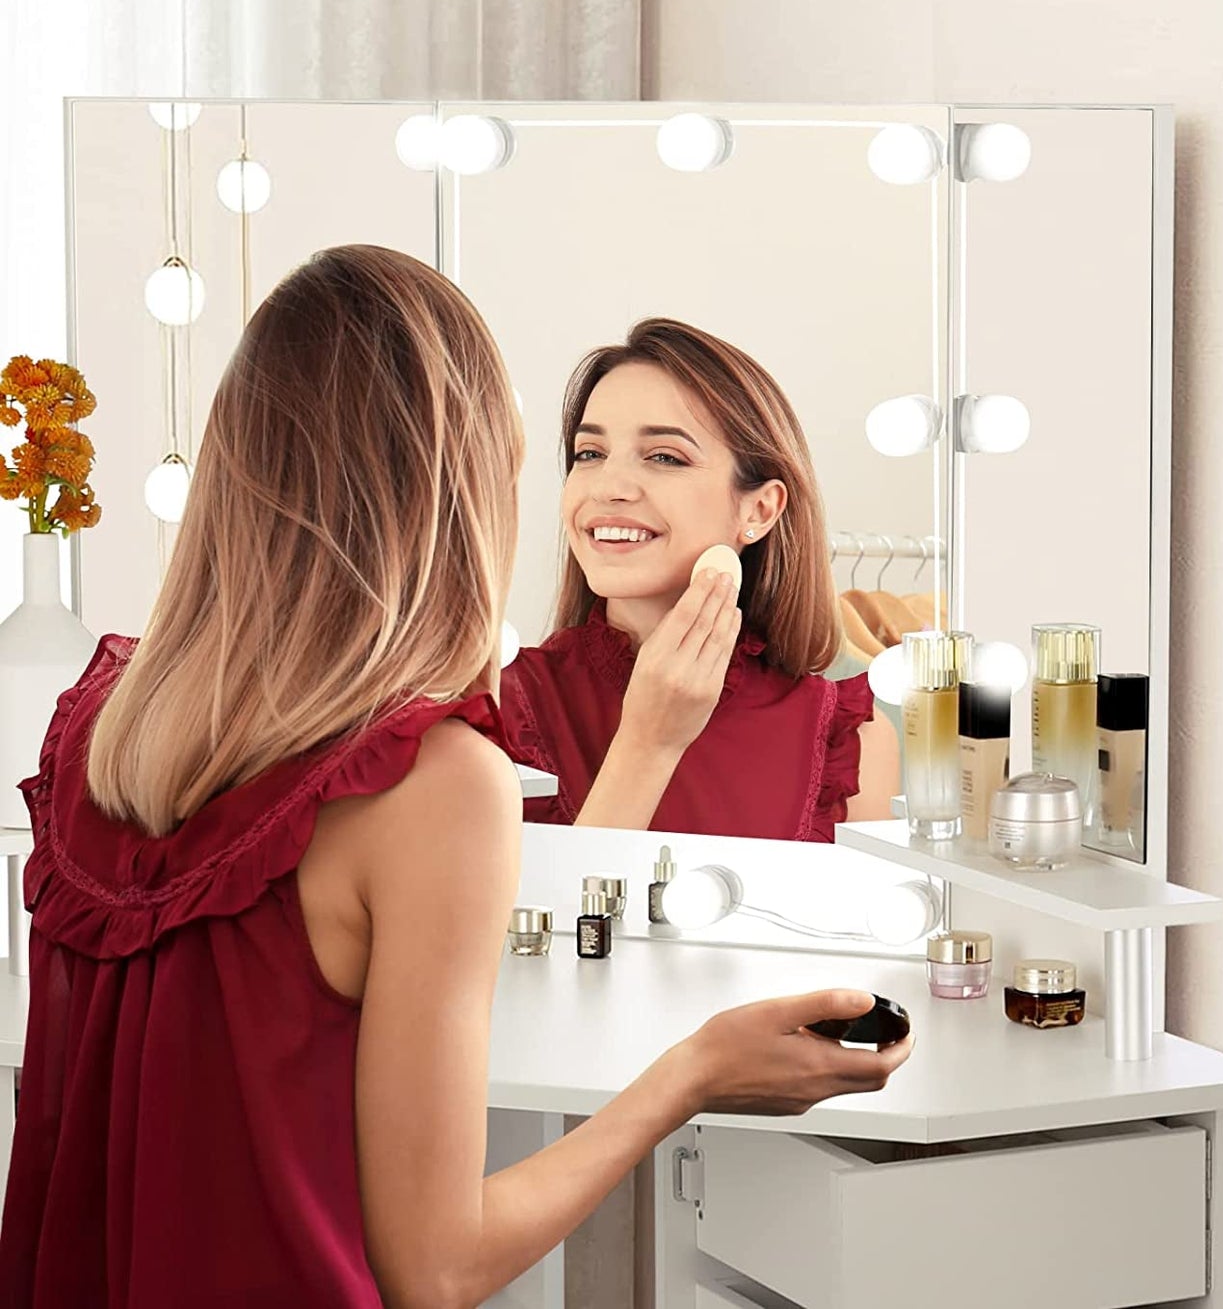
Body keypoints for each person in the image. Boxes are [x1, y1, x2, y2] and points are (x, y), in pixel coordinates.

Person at [0, 246, 912, 1308]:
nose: (604, 486)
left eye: (663, 456)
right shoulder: (435, 775)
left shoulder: (99, 724)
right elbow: (434, 1267)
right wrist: (695, 1070)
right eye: (572, 451)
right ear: (459, 482)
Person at [501, 318, 900, 839]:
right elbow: (537, 922)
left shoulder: (850, 737)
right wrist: (647, 743)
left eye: (665, 456)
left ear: (759, 508)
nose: (609, 487)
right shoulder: (499, 706)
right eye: (590, 454)